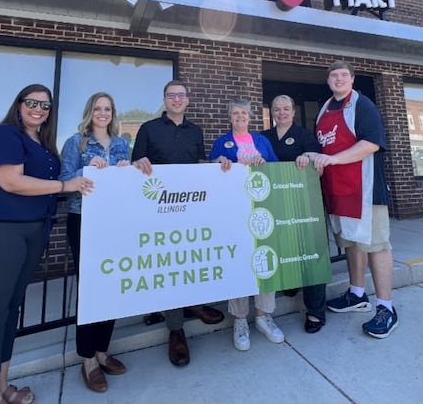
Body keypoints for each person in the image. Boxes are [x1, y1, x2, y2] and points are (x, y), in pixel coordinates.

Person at [0, 84, 93, 404]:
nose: (38, 109)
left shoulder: (43, 143)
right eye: (32, 102)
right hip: (0, 230)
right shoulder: (6, 135)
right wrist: (65, 184)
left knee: (12, 308)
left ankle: (3, 385)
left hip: (34, 231)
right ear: (19, 104)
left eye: (45, 105)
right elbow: (11, 181)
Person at [131, 79, 228, 366]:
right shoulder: (148, 128)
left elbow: (198, 164)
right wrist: (139, 164)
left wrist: (216, 163)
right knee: (169, 264)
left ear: (187, 100)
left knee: (190, 258)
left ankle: (194, 304)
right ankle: (176, 329)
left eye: (181, 95)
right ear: (165, 99)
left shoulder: (196, 131)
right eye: (171, 95)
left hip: (191, 207)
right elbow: (137, 165)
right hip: (158, 209)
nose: (176, 99)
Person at [306, 61, 399, 338]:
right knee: (351, 242)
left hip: (365, 189)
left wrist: (334, 159)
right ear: (328, 81)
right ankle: (357, 294)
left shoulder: (363, 105)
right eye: (334, 75)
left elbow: (371, 142)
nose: (339, 79)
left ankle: (387, 308)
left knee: (376, 245)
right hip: (338, 189)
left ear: (352, 79)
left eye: (344, 75)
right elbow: (321, 146)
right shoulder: (324, 110)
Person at [60, 92, 130, 393]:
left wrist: (128, 172)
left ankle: (103, 350)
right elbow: (65, 181)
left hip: (114, 221)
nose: (103, 113)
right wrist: (86, 170)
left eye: (108, 109)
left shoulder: (122, 143)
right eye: (98, 108)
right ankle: (87, 358)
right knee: (91, 289)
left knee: (112, 284)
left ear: (113, 113)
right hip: (84, 220)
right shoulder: (76, 143)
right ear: (90, 112)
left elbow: (127, 187)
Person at [209, 98, 284, 351]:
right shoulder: (222, 142)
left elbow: (276, 168)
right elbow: (210, 173)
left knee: (265, 258)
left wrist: (265, 165)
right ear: (230, 117)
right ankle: (240, 320)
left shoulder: (262, 141)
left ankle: (264, 316)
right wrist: (219, 163)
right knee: (239, 261)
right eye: (236, 113)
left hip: (262, 207)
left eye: (244, 112)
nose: (240, 116)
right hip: (234, 210)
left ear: (250, 117)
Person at [261, 94, 327, 334]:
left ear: (293, 111)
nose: (281, 113)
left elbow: (318, 165)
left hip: (303, 204)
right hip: (274, 204)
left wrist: (307, 157)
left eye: (286, 108)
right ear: (271, 112)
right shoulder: (263, 137)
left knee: (310, 254)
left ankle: (315, 312)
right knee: (284, 250)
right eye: (277, 109)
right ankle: (290, 283)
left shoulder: (305, 136)